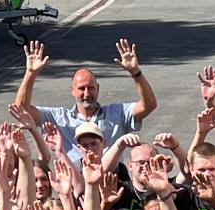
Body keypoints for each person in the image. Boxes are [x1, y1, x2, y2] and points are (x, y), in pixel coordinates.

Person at [15, 38, 157, 155]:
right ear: (72, 91)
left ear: (98, 89)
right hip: (75, 184)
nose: (87, 94)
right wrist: (30, 73)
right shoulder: (59, 118)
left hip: (111, 182)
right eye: (81, 89)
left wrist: (136, 72)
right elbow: (21, 111)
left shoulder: (117, 113)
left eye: (90, 88)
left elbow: (148, 105)